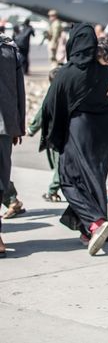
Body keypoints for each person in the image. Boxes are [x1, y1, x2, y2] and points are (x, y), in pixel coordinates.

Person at [41, 23, 108, 256]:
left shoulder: (69, 72)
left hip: (81, 130)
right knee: (94, 179)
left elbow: (50, 105)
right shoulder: (107, 68)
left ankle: (95, 224)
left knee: (69, 179)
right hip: (106, 131)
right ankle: (87, 231)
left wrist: (51, 132)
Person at [0, 33, 26, 258]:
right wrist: (18, 124)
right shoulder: (9, 51)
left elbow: (19, 90)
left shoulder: (10, 51)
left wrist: (18, 124)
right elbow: (19, 91)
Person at [27, 67, 63, 203]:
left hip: (55, 136)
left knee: (59, 166)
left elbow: (42, 113)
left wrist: (31, 129)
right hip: (61, 136)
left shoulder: (52, 95)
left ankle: (52, 191)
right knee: (58, 165)